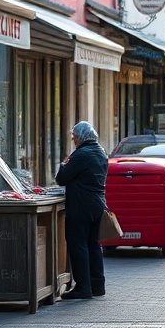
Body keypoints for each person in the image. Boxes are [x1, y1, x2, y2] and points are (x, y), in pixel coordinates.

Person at [56, 120, 109, 299]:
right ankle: (97, 285)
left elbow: (61, 178)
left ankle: (83, 287)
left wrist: (63, 164)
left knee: (77, 244)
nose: (74, 141)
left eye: (74, 138)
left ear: (81, 137)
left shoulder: (81, 154)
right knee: (93, 245)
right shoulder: (101, 152)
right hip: (97, 205)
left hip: (81, 206)